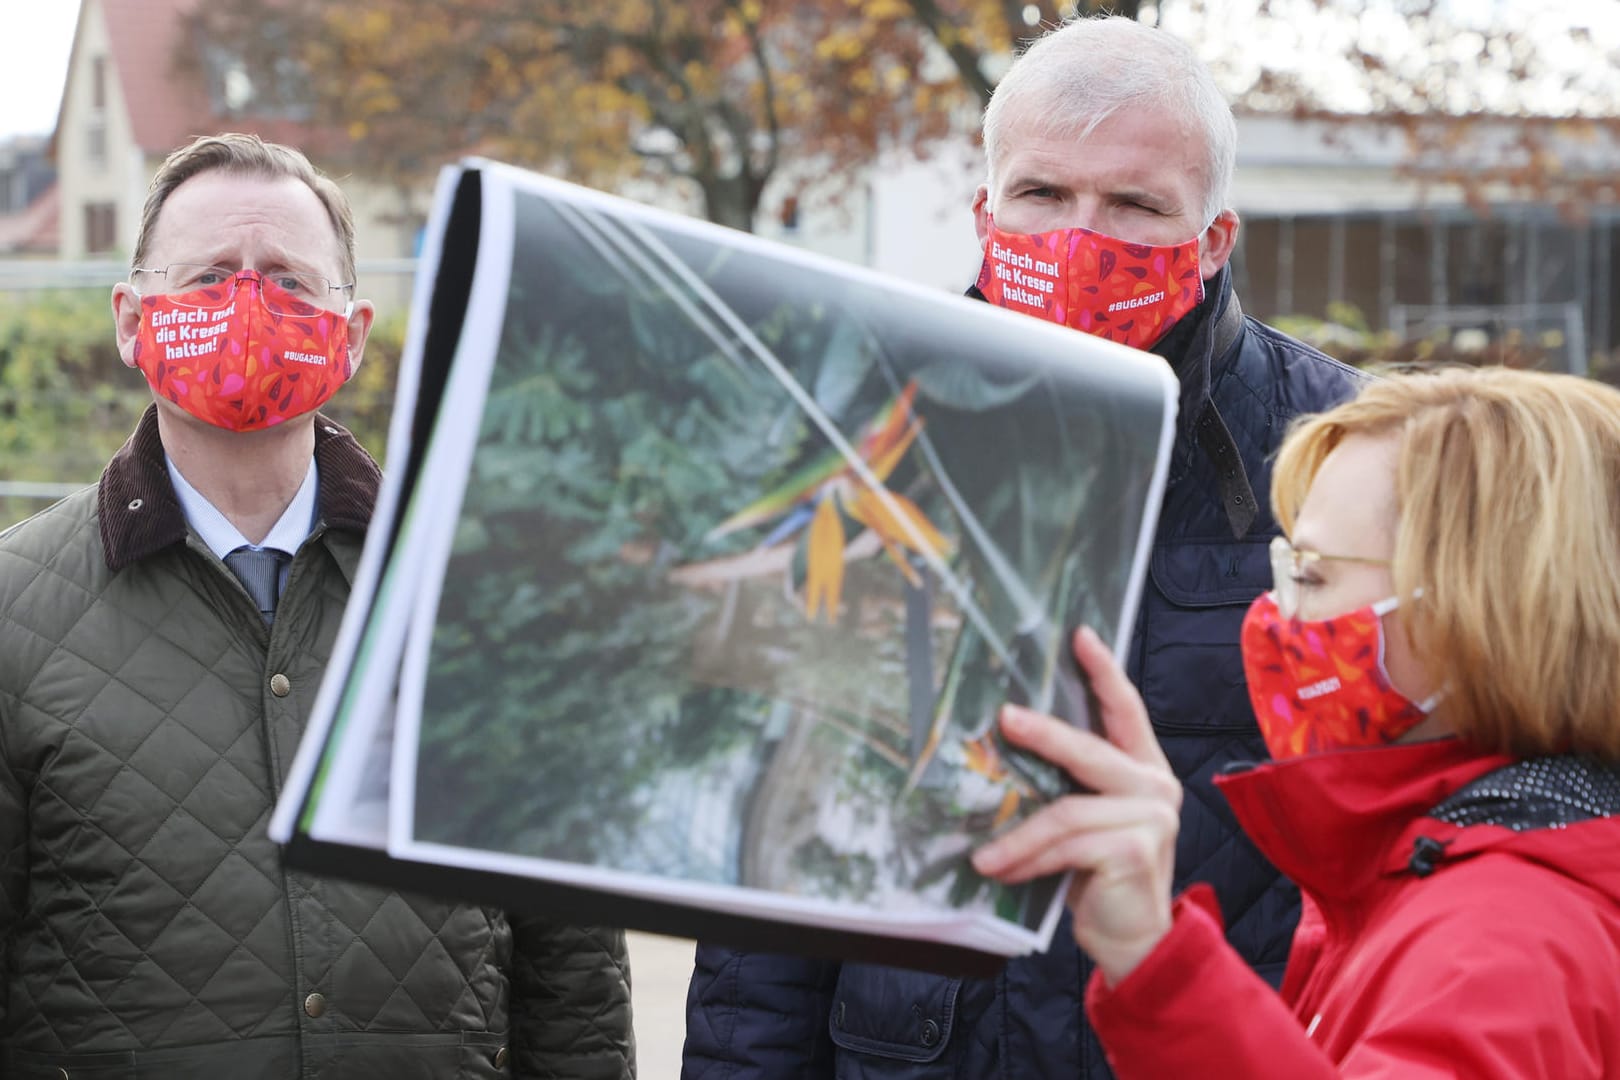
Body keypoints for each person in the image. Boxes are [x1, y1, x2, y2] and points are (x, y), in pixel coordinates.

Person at [684, 15, 1365, 1078]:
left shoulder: (1343, 461)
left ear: (1215, 237)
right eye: (1043, 195)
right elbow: (769, 871)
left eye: (1136, 205)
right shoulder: (864, 439)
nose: (1080, 236)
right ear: (987, 210)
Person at [0, 134, 634, 1079]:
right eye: (211, 274)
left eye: (292, 283)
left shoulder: (489, 601)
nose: (249, 305)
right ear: (133, 319)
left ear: (353, 331)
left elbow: (572, 977)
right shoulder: (16, 611)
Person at [975, 364, 1620, 1077]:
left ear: (1478, 611)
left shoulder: (1504, 943)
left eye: (1310, 575)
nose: (1273, 615)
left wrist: (1162, 966)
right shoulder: (1471, 859)